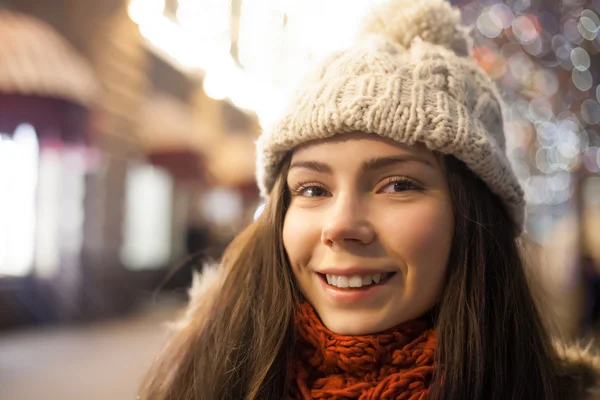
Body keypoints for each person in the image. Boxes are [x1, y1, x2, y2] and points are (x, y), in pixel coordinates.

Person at [140, 0, 600, 398]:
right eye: (313, 189)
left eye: (398, 185)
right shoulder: (198, 381)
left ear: (473, 213)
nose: (340, 226)